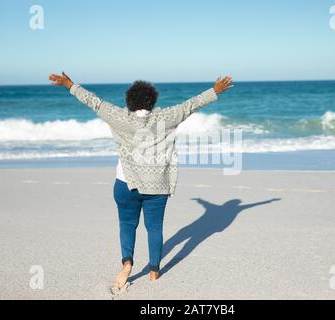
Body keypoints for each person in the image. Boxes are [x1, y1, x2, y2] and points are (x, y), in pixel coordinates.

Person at [48, 72, 233, 290]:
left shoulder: (119, 117)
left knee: (127, 225)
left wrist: (69, 84)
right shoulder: (166, 117)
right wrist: (215, 91)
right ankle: (154, 270)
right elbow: (191, 105)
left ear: (129, 102)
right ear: (152, 101)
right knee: (154, 228)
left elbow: (93, 102)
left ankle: (127, 263)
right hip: (157, 186)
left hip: (125, 184)